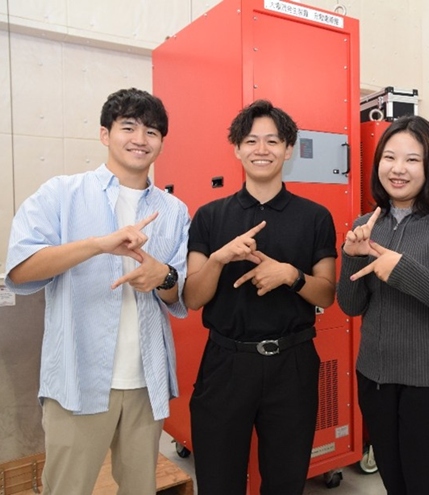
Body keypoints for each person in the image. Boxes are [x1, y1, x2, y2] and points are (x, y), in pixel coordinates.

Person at [4, 88, 190, 494]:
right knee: (66, 488)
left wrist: (162, 276)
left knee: (140, 488)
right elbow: (19, 270)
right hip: (77, 379)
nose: (140, 139)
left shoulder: (174, 210)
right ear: (105, 134)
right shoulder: (62, 193)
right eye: (129, 127)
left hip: (145, 382)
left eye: (152, 131)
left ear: (162, 142)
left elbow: (178, 296)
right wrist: (96, 245)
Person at [184, 99, 337, 494]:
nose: (261, 149)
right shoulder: (209, 216)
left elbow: (327, 294)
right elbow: (193, 298)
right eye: (251, 141)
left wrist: (291, 275)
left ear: (289, 149)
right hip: (226, 363)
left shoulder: (315, 217)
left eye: (273, 140)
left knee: (286, 482)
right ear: (237, 149)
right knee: (218, 481)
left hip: (293, 363)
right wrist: (218, 259)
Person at [337, 115, 429, 495]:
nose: (398, 169)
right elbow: (350, 306)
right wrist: (351, 255)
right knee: (394, 482)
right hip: (376, 379)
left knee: (425, 486)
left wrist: (402, 270)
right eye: (390, 157)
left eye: (412, 160)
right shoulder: (368, 223)